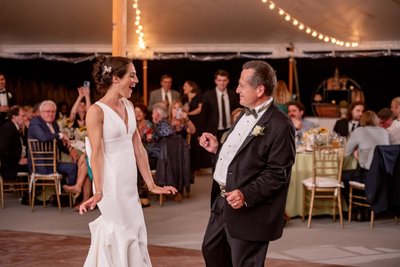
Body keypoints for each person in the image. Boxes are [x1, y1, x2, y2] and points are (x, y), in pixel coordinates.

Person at [78, 56, 177, 266]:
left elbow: (138, 148)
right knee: (122, 232)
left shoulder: (129, 105)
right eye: (131, 75)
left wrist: (151, 184)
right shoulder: (96, 111)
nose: (136, 80)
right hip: (109, 183)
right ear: (115, 78)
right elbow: (95, 153)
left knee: (136, 229)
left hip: (128, 181)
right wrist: (98, 191)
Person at [199, 60, 295, 266]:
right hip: (221, 202)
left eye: (242, 84)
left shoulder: (280, 125)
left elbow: (278, 173)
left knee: (244, 263)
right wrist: (217, 150)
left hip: (249, 210)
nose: (237, 89)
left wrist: (246, 194)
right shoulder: (243, 114)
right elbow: (241, 156)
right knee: (212, 252)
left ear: (259, 89)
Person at [342, 110, 390, 209]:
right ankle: (369, 204)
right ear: (376, 120)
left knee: (342, 176)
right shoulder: (384, 131)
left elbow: (346, 152)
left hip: (367, 175)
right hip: (385, 175)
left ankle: (355, 209)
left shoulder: (359, 131)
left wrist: (356, 151)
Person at [28, 100, 78, 186]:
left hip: (53, 164)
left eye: (53, 111)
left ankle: (69, 194)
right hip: (40, 165)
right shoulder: (35, 123)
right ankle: (62, 192)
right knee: (69, 168)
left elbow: (58, 143)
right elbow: (43, 137)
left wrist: (70, 149)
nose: (51, 114)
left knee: (73, 167)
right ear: (40, 112)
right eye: (47, 111)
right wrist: (60, 135)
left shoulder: (54, 124)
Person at [200, 69, 241, 142]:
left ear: (228, 81)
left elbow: (237, 111)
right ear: (216, 81)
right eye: (219, 80)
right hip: (213, 131)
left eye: (224, 80)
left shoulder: (233, 95)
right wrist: (201, 133)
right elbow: (204, 116)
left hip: (230, 130)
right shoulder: (208, 95)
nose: (222, 83)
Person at [0, 106, 28, 180]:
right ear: (14, 116)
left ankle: (32, 190)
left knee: (37, 165)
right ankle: (32, 191)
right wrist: (18, 160)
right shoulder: (7, 128)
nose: (25, 118)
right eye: (23, 116)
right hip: (10, 166)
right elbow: (3, 151)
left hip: (16, 163)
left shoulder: (15, 128)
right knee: (36, 167)